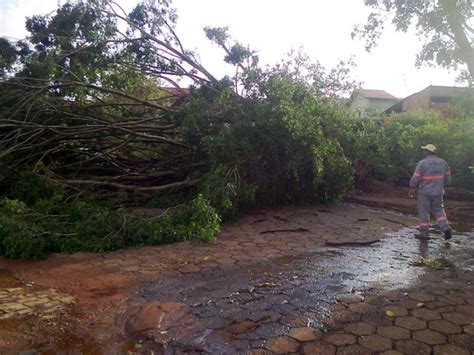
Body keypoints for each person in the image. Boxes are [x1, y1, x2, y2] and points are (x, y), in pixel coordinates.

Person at [409, 144, 452, 240]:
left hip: (425, 193)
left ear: (428, 151)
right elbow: (447, 179)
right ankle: (445, 228)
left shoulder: (422, 163)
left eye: (424, 150)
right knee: (439, 210)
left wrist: (412, 187)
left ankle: (424, 234)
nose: (423, 152)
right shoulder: (443, 163)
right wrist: (440, 185)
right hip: (438, 192)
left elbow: (416, 178)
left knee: (424, 212)